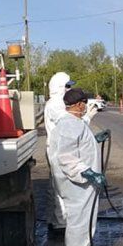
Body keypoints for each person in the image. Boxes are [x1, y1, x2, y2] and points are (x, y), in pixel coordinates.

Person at [51, 88, 106, 246]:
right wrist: (88, 172)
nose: (85, 108)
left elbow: (78, 147)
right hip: (77, 185)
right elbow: (67, 157)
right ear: (80, 104)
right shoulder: (70, 125)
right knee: (80, 222)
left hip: (79, 184)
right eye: (85, 104)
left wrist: (94, 140)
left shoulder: (73, 122)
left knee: (82, 220)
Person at [44, 73, 99, 231]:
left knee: (55, 186)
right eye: (68, 86)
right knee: (62, 186)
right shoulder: (55, 104)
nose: (71, 89)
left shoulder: (58, 103)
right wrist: (87, 117)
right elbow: (70, 125)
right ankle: (61, 223)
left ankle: (55, 219)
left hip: (62, 148)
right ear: (60, 87)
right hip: (60, 150)